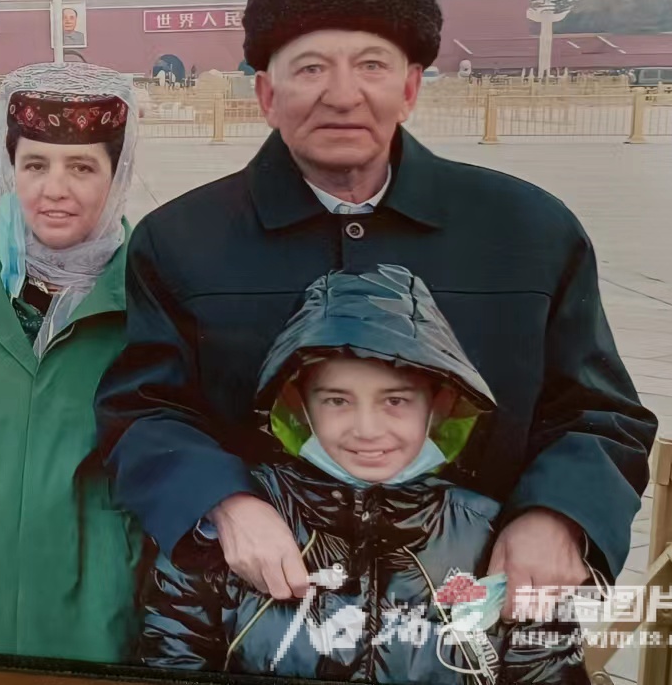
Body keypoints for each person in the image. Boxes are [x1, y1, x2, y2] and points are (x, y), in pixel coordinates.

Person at [96, 0, 656, 622]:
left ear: (411, 88)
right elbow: (144, 410)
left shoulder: (528, 231)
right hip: (256, 617)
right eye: (310, 68)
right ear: (267, 96)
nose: (342, 95)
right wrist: (226, 503)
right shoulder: (182, 240)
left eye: (371, 65)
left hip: (476, 619)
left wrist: (558, 513)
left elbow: (599, 412)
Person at [141, 265, 587, 683]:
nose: (368, 430)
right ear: (298, 404)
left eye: (396, 400)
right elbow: (173, 654)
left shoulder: (492, 535)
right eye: (337, 400)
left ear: (440, 405)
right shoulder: (230, 526)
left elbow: (545, 666)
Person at [0, 63, 143, 662]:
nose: (54, 189)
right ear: (9, 170)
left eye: (82, 167)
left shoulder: (145, 287)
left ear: (116, 176)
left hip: (95, 584)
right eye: (35, 165)